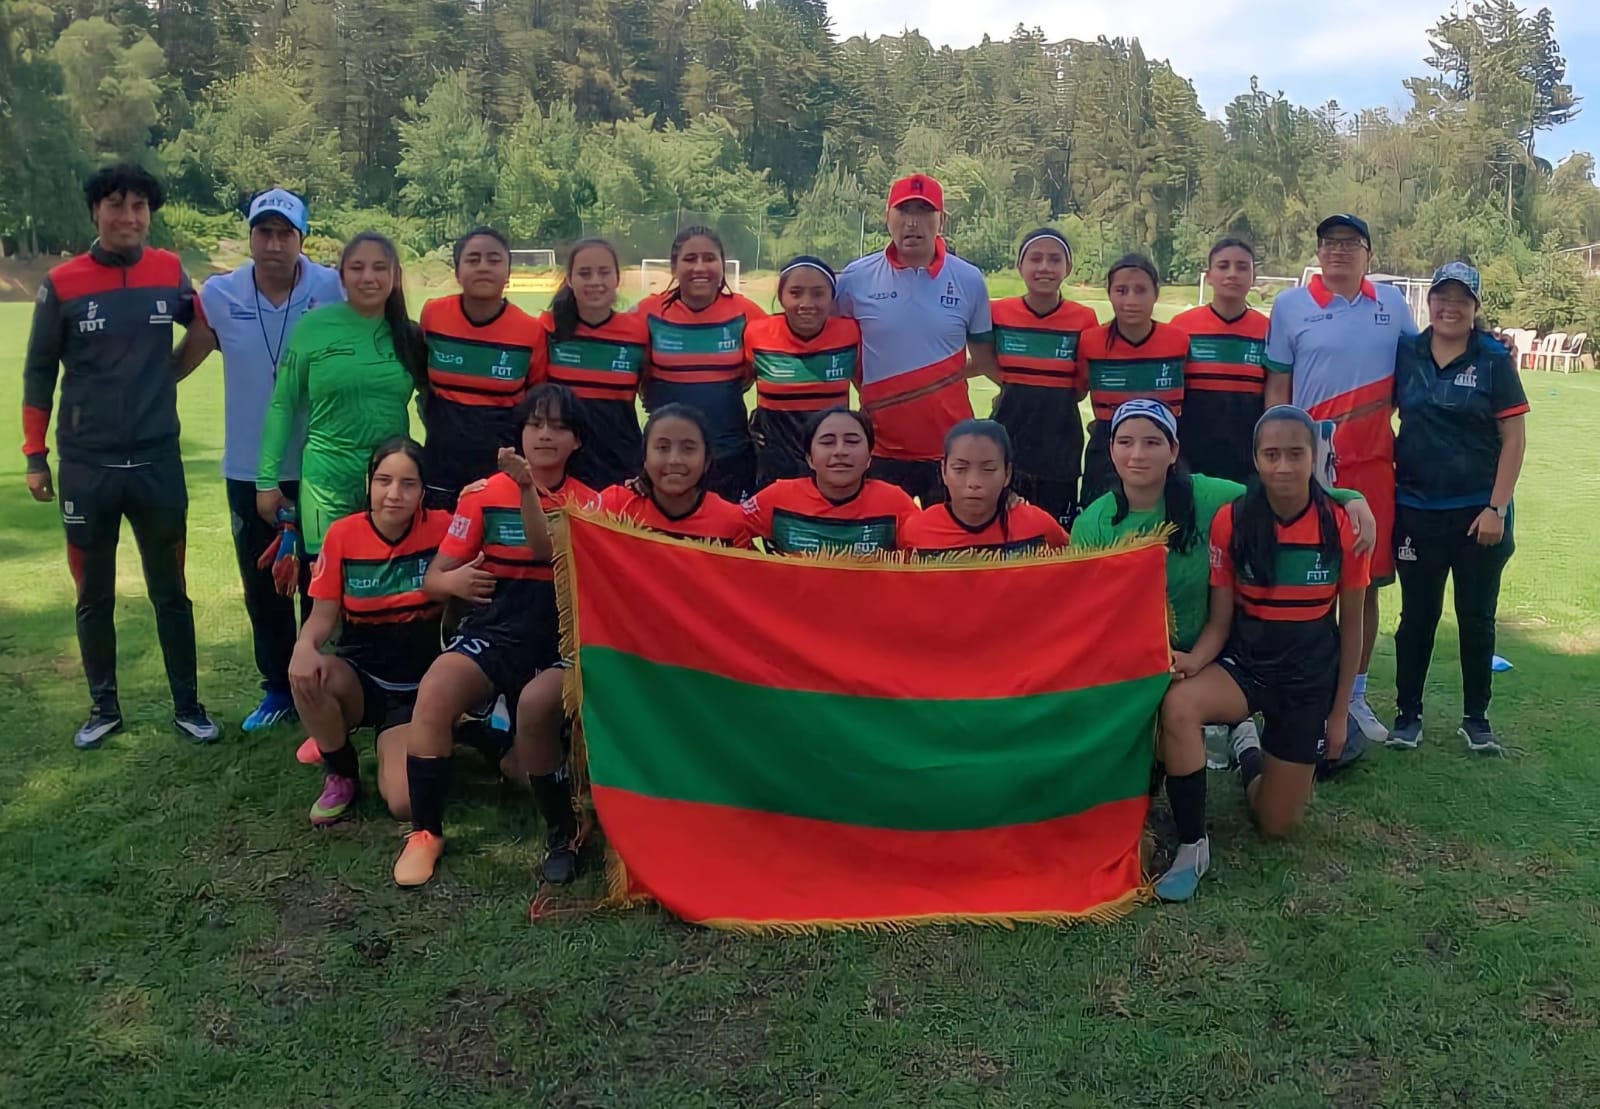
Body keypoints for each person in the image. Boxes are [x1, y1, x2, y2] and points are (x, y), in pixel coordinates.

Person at [21, 163, 219, 748]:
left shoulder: (169, 271)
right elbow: (37, 373)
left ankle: (189, 705)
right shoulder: (62, 282)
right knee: (93, 593)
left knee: (171, 590)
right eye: (116, 205)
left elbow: (204, 331)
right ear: (96, 212)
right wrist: (36, 455)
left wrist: (168, 376)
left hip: (157, 461)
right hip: (88, 465)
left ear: (149, 213)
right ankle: (103, 708)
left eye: (139, 207)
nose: (128, 217)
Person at [1154, 406, 1369, 900]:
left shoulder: (1343, 524)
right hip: (1246, 667)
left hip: (1307, 681)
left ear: (1315, 457)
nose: (1284, 467)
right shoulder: (1233, 520)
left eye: (1297, 454)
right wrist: (1194, 661)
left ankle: (1246, 749)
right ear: (1256, 458)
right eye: (1271, 455)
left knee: (1276, 826)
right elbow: (1221, 620)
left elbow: (1352, 629)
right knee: (1179, 704)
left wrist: (1340, 715)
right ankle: (1192, 844)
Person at [394, 385, 598, 889]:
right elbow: (434, 578)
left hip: (557, 642)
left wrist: (529, 489)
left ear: (577, 441)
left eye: (558, 427)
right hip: (495, 632)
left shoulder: (590, 503)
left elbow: (545, 553)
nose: (545, 435)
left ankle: (548, 811)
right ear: (521, 433)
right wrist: (452, 581)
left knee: (527, 771)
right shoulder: (483, 495)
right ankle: (425, 833)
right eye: (535, 424)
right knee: (438, 687)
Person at [174, 188, 345, 733]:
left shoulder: (332, 287)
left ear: (302, 239)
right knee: (263, 582)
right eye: (263, 232)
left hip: (323, 464)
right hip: (250, 468)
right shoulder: (220, 294)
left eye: (285, 233)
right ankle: (276, 688)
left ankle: (327, 679)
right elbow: (185, 357)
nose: (273, 244)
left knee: (324, 581)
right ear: (250, 236)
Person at [1265, 214, 1417, 742]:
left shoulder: (1394, 306)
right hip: (1306, 466)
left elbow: (1421, 369)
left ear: (1368, 254)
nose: (1338, 252)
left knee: (1364, 584)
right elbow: (1276, 389)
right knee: (1297, 577)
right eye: (1329, 243)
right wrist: (1271, 453)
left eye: (1350, 244)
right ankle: (1289, 689)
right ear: (1318, 252)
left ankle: (1353, 697)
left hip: (1373, 464)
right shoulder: (1289, 306)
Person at [1389, 263, 1528, 754]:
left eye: (1461, 300)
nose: (1450, 307)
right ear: (1429, 302)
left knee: (1476, 617)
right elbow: (1380, 414)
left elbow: (1514, 438)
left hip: (1478, 514)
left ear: (1475, 307)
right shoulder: (1407, 352)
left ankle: (1476, 718)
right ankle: (1408, 715)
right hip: (1415, 508)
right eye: (1441, 297)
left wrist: (1497, 507)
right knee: (1417, 617)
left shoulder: (1492, 358)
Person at [291, 438, 450, 825]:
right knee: (308, 673)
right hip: (360, 679)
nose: (394, 494)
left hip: (419, 689)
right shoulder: (343, 535)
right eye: (383, 481)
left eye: (408, 484)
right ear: (369, 484)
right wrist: (305, 646)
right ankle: (341, 772)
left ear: (423, 491)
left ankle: (423, 738)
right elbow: (322, 615)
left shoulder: (445, 528)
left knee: (404, 804)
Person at [257, 232, 427, 559]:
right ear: (342, 277)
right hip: (326, 483)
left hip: (390, 485)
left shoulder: (409, 335)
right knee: (326, 593)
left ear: (394, 277)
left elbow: (435, 405)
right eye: (357, 268)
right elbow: (282, 404)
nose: (368, 277)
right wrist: (267, 481)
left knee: (382, 593)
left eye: (379, 268)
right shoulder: (314, 327)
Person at [836, 174, 998, 504]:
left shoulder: (969, 279)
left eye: (924, 212)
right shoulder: (855, 278)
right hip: (879, 448)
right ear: (887, 218)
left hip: (951, 448)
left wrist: (932, 383)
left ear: (942, 220)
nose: (913, 223)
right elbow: (841, 355)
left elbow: (983, 359)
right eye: (903, 211)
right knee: (880, 552)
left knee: (947, 551)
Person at [638, 227, 766, 502]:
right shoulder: (647, 314)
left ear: (722, 264)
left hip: (730, 456)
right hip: (668, 461)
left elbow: (768, 371)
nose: (700, 267)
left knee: (725, 540)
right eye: (689, 258)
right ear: (674, 267)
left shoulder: (747, 314)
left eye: (709, 258)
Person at [418, 227, 541, 509]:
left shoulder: (530, 331)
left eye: (494, 260)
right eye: (473, 259)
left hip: (500, 473)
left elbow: (535, 406)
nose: (483, 267)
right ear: (458, 272)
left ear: (509, 272)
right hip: (440, 466)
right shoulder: (433, 315)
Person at [989, 228, 1099, 524]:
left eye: (1054, 259)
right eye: (1035, 259)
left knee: (1052, 535)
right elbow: (984, 360)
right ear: (1020, 266)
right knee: (1004, 531)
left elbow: (1080, 387)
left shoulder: (1084, 318)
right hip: (1007, 440)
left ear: (1068, 267)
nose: (1044, 267)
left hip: (1059, 448)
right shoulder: (997, 312)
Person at [534, 238, 649, 490]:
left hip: (621, 463)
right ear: (570, 280)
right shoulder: (548, 329)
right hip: (562, 466)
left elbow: (650, 394)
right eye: (585, 274)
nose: (595, 281)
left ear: (617, 278)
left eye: (604, 272)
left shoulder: (638, 333)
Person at [1076, 254, 1189, 505]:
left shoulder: (1179, 341)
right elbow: (1078, 389)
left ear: (1156, 293)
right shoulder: (1090, 342)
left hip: (1164, 446)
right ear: (1109, 293)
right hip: (1107, 450)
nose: (1131, 300)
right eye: (1121, 290)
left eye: (1141, 290)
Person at [745, 256, 862, 487]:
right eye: (796, 293)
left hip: (832, 468)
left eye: (818, 294)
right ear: (781, 297)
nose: (806, 303)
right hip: (776, 467)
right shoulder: (757, 334)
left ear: (832, 298)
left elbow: (866, 391)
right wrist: (747, 428)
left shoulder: (850, 333)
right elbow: (736, 384)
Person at [741, 407, 918, 555]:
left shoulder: (894, 503)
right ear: (810, 458)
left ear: (869, 457)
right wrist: (761, 570)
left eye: (852, 441)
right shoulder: (778, 498)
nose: (840, 451)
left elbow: (928, 545)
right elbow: (727, 525)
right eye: (827, 442)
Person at [1171, 238, 1270, 484]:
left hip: (1247, 460)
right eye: (1223, 266)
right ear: (1209, 276)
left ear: (1253, 277)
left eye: (1242, 267)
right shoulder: (1181, 326)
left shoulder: (1269, 330)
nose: (1232, 274)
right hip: (1190, 457)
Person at [900, 419, 1069, 557]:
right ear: (944, 471)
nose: (974, 482)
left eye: (988, 470)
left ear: (1007, 473)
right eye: (960, 469)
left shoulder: (1038, 527)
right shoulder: (916, 531)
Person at [599, 404, 753, 546]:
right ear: (644, 458)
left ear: (706, 461)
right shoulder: (614, 508)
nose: (674, 460)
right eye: (663, 447)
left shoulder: (730, 523)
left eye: (688, 448)